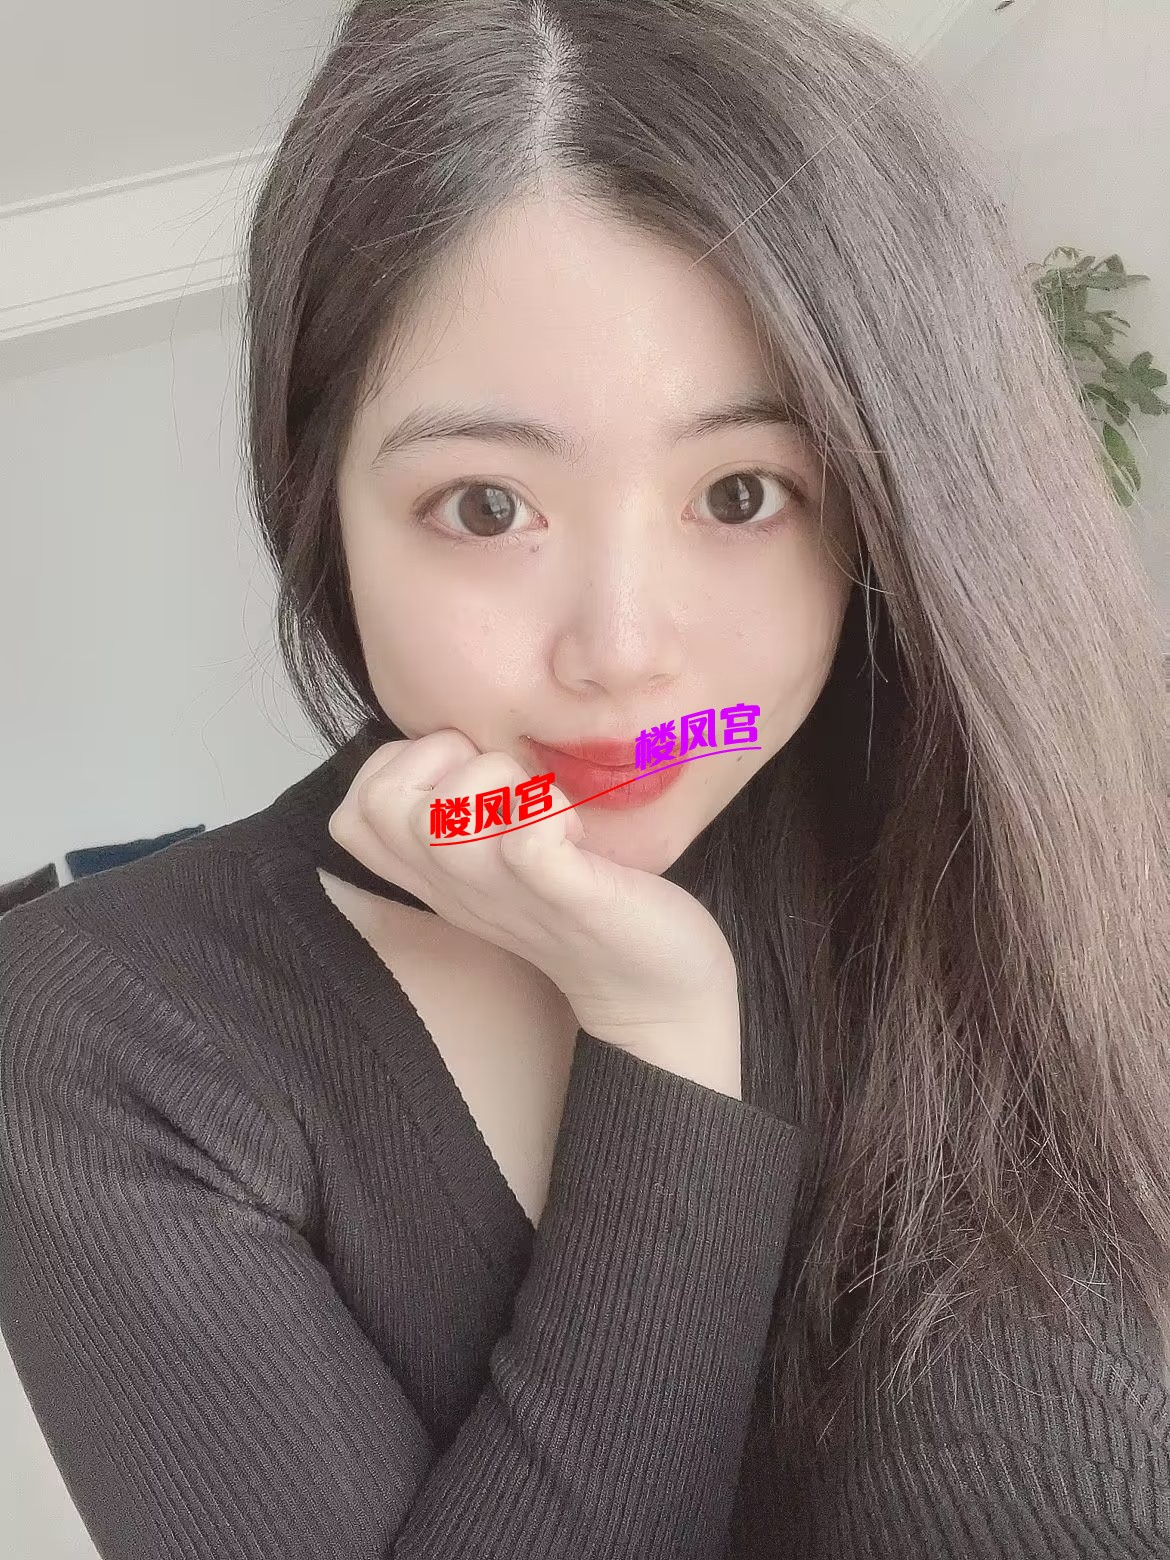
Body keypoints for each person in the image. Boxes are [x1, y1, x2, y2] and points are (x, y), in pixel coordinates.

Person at [2, 1, 1168, 1555]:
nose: (621, 656)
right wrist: (659, 1035)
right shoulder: (99, 1025)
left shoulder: (981, 840)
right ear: (322, 503)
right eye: (486, 506)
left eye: (740, 494)